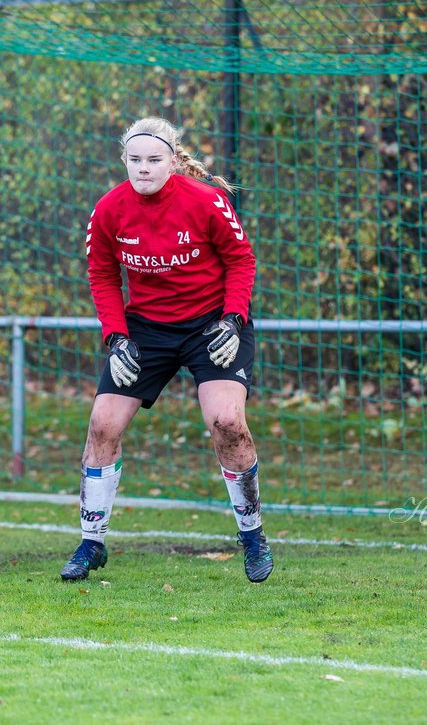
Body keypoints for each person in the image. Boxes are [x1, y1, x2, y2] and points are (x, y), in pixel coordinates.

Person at [60, 117, 273, 584]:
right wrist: (115, 336)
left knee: (227, 421)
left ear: (173, 161)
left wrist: (234, 320)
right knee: (103, 423)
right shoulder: (109, 209)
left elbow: (242, 259)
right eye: (135, 161)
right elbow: (101, 275)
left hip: (211, 325)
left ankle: (253, 536)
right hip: (146, 331)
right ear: (124, 162)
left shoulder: (206, 201)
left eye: (154, 160)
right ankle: (91, 542)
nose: (144, 168)